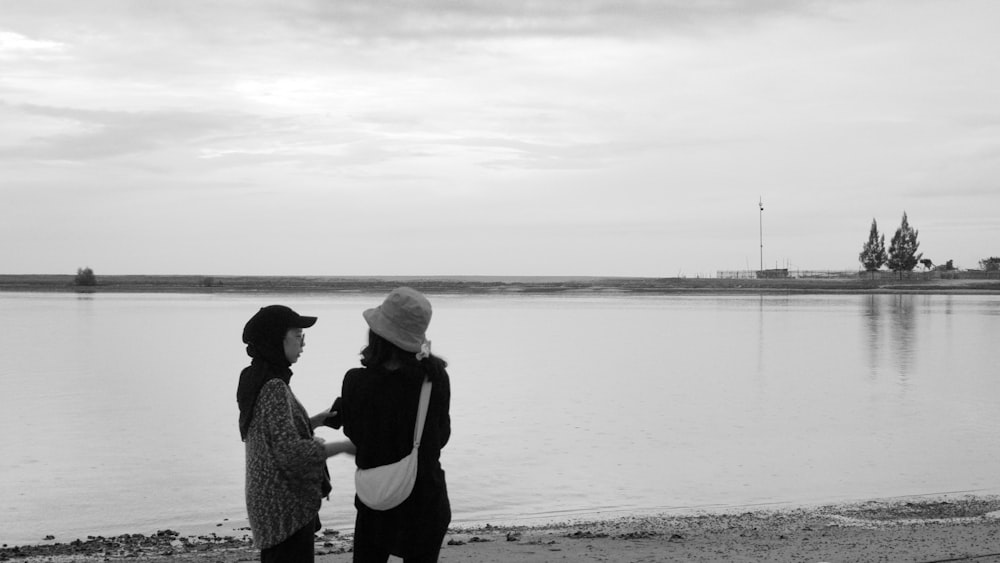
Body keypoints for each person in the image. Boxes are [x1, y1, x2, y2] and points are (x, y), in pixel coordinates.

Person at [329, 287, 452, 563]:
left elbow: (357, 434)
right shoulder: (435, 378)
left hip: (378, 501)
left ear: (377, 334)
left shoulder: (357, 382)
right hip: (427, 500)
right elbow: (442, 436)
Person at [237, 304, 354, 563]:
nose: (303, 344)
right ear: (275, 340)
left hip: (268, 503)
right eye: (298, 336)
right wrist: (344, 447)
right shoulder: (274, 387)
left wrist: (314, 422)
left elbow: (270, 437)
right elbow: (291, 454)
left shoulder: (255, 378)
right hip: (284, 508)